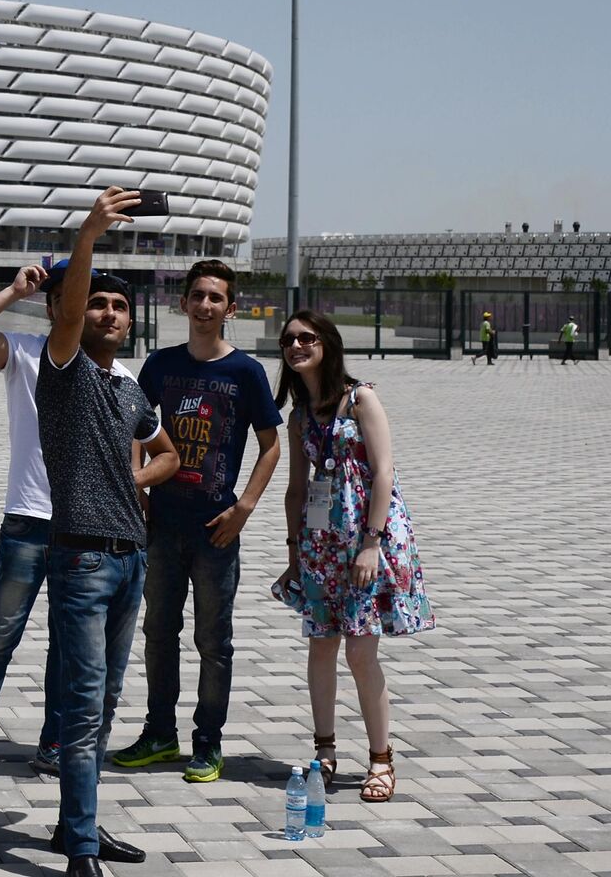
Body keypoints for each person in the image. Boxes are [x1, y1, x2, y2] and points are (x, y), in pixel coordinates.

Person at [0, 260, 139, 793]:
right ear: (56, 307)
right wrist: (12, 290)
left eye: (113, 305)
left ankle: (53, 744)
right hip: (30, 518)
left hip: (88, 533)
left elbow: (139, 454)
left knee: (69, 648)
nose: (100, 312)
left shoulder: (123, 377)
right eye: (84, 299)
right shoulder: (24, 353)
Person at [37, 187, 182, 875]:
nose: (108, 313)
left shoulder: (128, 388)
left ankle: (75, 828)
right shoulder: (63, 371)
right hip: (82, 563)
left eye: (120, 306)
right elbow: (67, 313)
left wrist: (134, 481)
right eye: (98, 302)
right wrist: (88, 237)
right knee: (84, 707)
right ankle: (83, 849)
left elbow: (170, 454)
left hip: (130, 562)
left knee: (106, 701)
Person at [112, 260, 282, 783]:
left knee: (214, 640)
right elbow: (135, 434)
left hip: (216, 529)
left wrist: (244, 507)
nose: (205, 305)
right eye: (197, 296)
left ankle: (208, 742)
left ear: (230, 309)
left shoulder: (246, 372)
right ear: (182, 303)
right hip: (161, 525)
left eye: (216, 298)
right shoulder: (159, 366)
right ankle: (160, 733)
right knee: (159, 632)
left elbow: (272, 445)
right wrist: (138, 491)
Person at [273, 310, 434, 804]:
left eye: (307, 338)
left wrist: (371, 542)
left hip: (367, 540)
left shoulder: (360, 397)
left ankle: (382, 759)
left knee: (361, 652)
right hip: (320, 545)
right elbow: (296, 488)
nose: (297, 346)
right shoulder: (300, 416)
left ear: (327, 343)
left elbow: (384, 472)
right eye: (288, 341)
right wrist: (295, 551)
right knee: (321, 647)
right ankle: (324, 750)